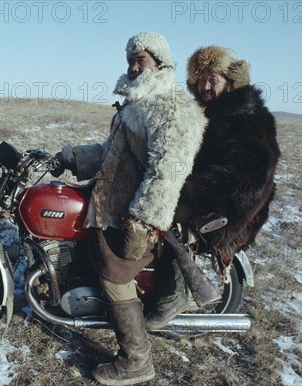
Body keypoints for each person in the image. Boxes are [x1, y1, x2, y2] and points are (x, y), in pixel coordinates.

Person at [54, 32, 207, 386]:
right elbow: (112, 154)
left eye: (142, 59)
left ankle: (136, 360)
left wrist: (144, 218)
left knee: (115, 271)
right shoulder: (136, 105)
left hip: (137, 213)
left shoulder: (169, 106)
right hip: (114, 204)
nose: (134, 66)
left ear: (161, 63)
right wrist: (70, 157)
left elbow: (169, 168)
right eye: (131, 60)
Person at [145, 45, 281, 330]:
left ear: (230, 81)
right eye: (201, 79)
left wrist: (189, 188)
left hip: (231, 207)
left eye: (213, 79)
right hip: (214, 194)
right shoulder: (213, 112)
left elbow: (245, 175)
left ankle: (173, 294)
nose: (205, 86)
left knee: (157, 211)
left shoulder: (245, 116)